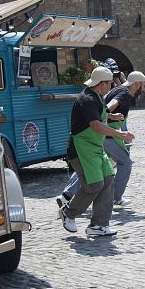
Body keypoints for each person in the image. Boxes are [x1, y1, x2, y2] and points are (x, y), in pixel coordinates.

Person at [57, 66, 135, 236]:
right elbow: (95, 124)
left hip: (94, 148)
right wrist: (119, 134)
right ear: (102, 84)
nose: (112, 85)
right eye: (110, 83)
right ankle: (68, 212)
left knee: (108, 180)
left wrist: (112, 117)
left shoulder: (97, 96)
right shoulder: (87, 99)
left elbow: (102, 113)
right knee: (94, 185)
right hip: (80, 149)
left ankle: (98, 225)